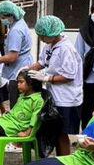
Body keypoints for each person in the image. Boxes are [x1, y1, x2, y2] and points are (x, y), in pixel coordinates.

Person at [28, 15, 83, 156]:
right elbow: (42, 62)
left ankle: (64, 161)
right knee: (56, 132)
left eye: (43, 36)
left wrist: (47, 78)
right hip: (55, 95)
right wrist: (27, 69)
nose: (41, 39)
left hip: (67, 98)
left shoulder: (66, 49)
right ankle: (59, 161)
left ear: (52, 33)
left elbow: (69, 75)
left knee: (62, 134)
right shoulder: (49, 45)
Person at [0, 1, 33, 109]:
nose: (1, 19)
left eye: (3, 17)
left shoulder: (16, 30)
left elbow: (12, 57)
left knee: (16, 105)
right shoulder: (19, 24)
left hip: (18, 71)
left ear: (11, 15)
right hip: (22, 67)